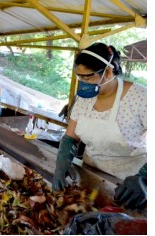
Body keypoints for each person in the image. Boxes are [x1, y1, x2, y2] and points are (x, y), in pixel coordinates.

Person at [52, 42, 147, 210]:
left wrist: (144, 178)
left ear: (109, 71)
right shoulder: (83, 99)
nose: (82, 82)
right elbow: (70, 137)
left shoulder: (141, 98)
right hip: (92, 175)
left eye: (87, 77)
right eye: (79, 76)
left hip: (130, 185)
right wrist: (62, 162)